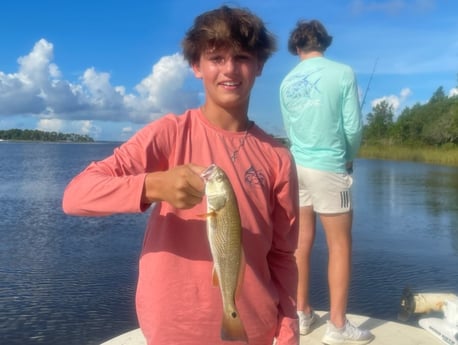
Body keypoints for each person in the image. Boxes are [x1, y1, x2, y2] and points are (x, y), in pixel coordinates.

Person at [62, 6, 300, 345]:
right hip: (173, 326)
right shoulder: (169, 134)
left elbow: (282, 256)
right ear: (196, 66)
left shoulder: (277, 157)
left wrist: (289, 331)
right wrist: (153, 185)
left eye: (243, 57)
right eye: (216, 57)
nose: (230, 69)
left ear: (260, 65)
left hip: (252, 327)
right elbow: (75, 196)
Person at [279, 20, 374, 345]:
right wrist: (348, 157)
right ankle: (337, 325)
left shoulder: (286, 82)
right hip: (330, 167)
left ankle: (302, 314)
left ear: (296, 48)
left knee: (300, 243)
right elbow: (353, 127)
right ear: (325, 43)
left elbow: (290, 130)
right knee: (340, 246)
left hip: (297, 168)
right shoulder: (343, 72)